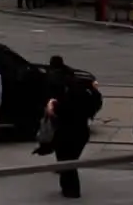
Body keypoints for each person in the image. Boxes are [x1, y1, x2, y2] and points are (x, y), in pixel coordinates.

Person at [46, 58, 96, 199]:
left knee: (67, 161)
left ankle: (71, 190)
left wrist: (51, 106)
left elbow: (57, 112)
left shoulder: (67, 100)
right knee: (70, 160)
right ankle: (68, 188)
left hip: (67, 133)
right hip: (81, 132)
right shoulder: (85, 97)